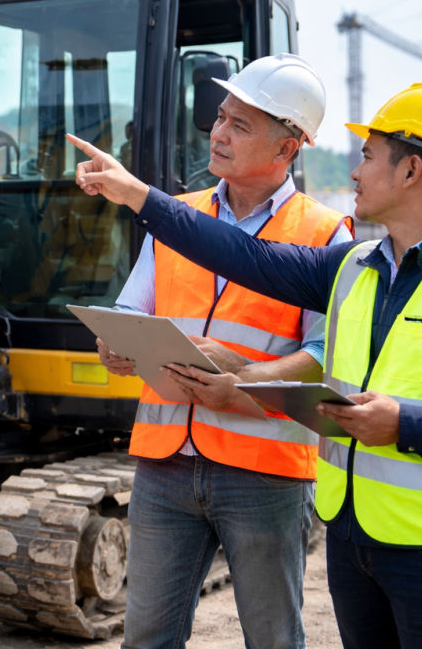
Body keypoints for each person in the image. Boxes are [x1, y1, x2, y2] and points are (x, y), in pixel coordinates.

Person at [69, 82, 422, 649]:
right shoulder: (356, 267)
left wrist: (406, 423)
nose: (353, 171)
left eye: (368, 156)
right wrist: (139, 197)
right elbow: (244, 255)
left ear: (411, 172)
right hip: (354, 535)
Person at [98, 54, 353, 649]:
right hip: (165, 463)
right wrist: (119, 340)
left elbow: (328, 352)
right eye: (219, 117)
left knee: (272, 639)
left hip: (263, 474)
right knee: (146, 640)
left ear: (287, 149)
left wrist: (249, 381)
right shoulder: (179, 218)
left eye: (240, 125)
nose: (217, 133)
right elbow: (132, 308)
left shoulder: (323, 234)